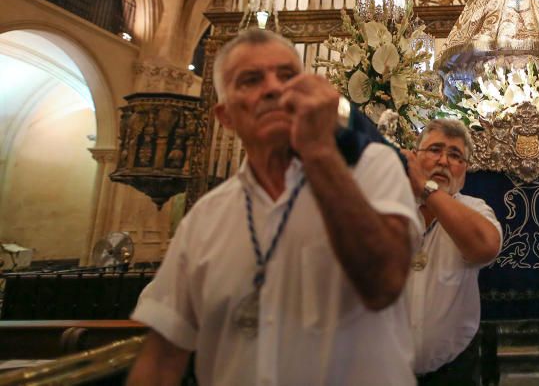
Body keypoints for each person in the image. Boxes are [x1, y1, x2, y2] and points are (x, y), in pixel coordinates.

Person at [128, 29, 420, 385]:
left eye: (287, 76)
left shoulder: (372, 168)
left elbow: (384, 283)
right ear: (225, 117)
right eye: (250, 81)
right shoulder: (204, 219)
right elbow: (162, 360)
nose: (273, 89)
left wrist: (319, 153)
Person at [404, 118, 503, 385]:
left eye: (455, 155)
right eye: (435, 150)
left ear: (465, 171)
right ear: (414, 157)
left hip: (453, 372)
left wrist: (426, 188)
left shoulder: (475, 209)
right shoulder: (390, 202)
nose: (444, 161)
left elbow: (486, 247)